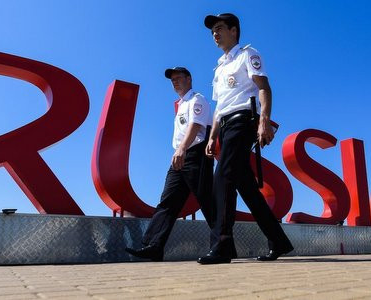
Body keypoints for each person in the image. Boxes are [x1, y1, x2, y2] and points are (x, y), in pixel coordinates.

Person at [197, 13, 293, 264]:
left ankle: (222, 246)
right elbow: (219, 107)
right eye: (212, 31)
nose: (214, 34)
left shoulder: (248, 55)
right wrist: (212, 137)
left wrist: (264, 121)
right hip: (227, 125)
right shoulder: (219, 68)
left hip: (244, 120)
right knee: (247, 188)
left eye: (219, 28)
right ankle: (279, 241)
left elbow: (264, 87)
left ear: (234, 30)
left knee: (222, 179)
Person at [125, 67, 215, 261]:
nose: (174, 82)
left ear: (189, 79)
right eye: (172, 80)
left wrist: (182, 149)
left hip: (195, 154)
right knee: (168, 202)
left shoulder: (196, 100)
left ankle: (223, 244)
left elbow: (196, 126)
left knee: (207, 201)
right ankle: (154, 246)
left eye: (178, 78)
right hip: (179, 155)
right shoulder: (181, 104)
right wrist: (179, 151)